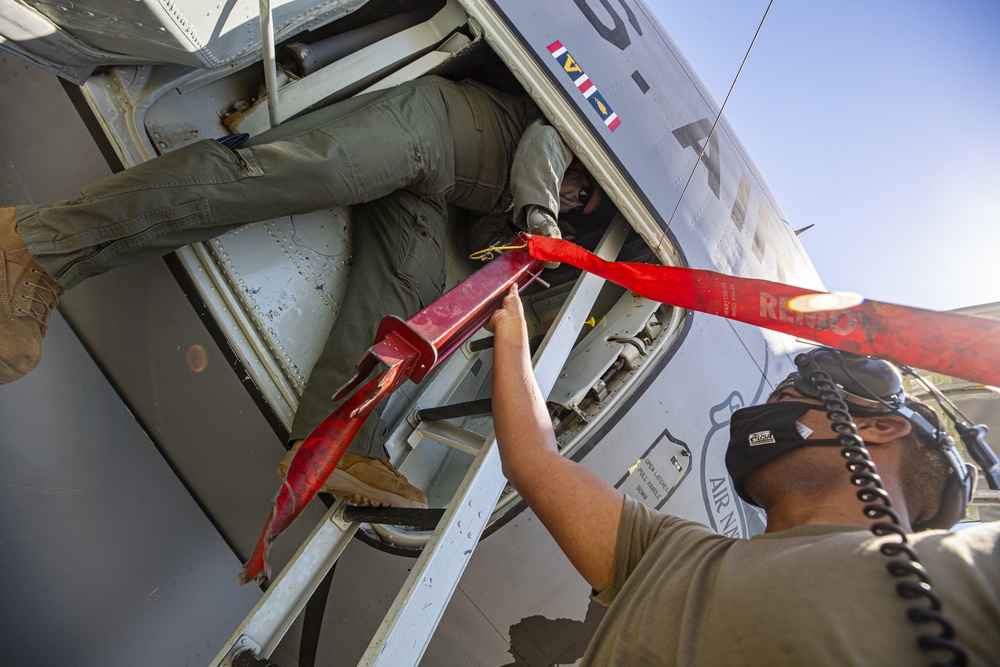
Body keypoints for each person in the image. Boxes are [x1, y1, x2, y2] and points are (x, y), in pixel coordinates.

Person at [0, 75, 602, 509]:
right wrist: (542, 217)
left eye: (582, 206)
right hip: (427, 122)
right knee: (275, 175)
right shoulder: (571, 146)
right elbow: (543, 147)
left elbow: (484, 239)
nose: (580, 200)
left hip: (435, 189)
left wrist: (515, 264)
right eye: (584, 192)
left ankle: (332, 442)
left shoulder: (556, 204)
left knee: (412, 294)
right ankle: (38, 245)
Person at [487, 284, 1000, 665]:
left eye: (791, 400)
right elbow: (535, 461)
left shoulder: (956, 578)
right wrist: (512, 338)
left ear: (878, 428)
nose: (764, 416)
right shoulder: (670, 552)